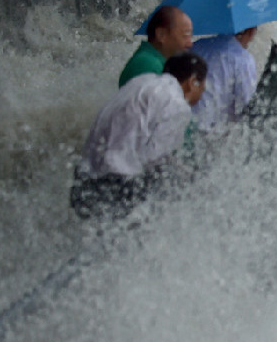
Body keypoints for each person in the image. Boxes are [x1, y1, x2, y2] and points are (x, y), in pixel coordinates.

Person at [71, 52, 208, 219]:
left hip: (84, 176)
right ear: (192, 82)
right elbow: (156, 158)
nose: (201, 95)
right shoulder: (177, 104)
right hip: (116, 184)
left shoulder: (141, 81)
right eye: (202, 88)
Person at [190, 27, 258, 132]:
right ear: (251, 31)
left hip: (188, 126)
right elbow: (246, 106)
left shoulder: (196, 46)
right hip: (215, 133)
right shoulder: (243, 59)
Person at [118, 6, 194, 88]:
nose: (190, 44)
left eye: (190, 36)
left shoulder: (153, 61)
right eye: (185, 35)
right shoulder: (149, 65)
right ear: (161, 35)